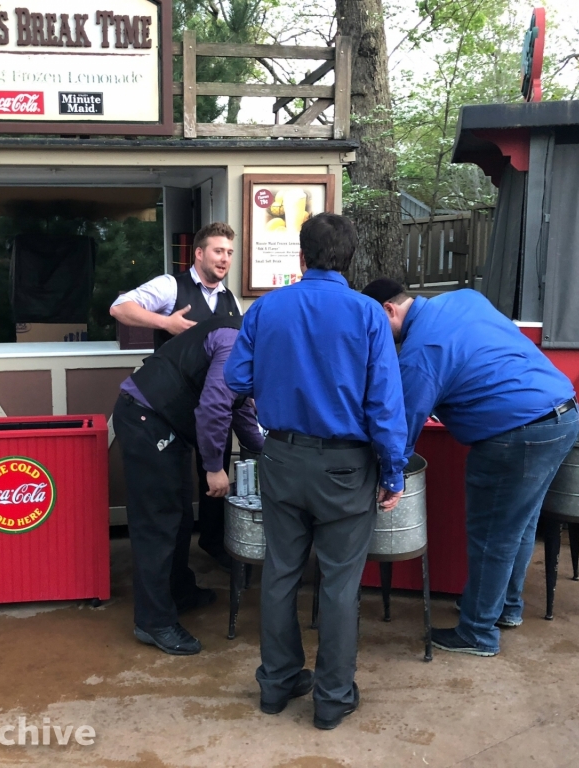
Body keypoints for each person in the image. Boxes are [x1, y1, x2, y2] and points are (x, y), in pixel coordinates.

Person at [224, 213, 408, 730]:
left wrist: (282, 378)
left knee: (281, 572)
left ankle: (277, 684)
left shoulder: (267, 308)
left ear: (301, 257)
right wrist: (392, 472)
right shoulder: (368, 314)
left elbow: (236, 377)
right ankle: (331, 697)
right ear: (350, 259)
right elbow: (385, 405)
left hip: (281, 457)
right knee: (340, 583)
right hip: (346, 467)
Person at [360, 278, 579, 658]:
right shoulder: (464, 298)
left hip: (515, 433)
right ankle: (504, 607)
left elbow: (403, 425)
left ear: (388, 310)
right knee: (519, 523)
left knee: (492, 534)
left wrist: (391, 477)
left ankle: (478, 632)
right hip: (562, 415)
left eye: (374, 325)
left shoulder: (420, 352)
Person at [112, 314, 264, 656]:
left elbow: (238, 406)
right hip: (146, 417)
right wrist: (214, 467)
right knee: (157, 523)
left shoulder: (247, 340)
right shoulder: (234, 342)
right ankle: (153, 621)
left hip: (168, 423)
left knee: (179, 515)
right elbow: (214, 407)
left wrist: (267, 449)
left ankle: (178, 591)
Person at [110, 222, 241, 568]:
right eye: (218, 251)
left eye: (229, 252)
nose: (225, 259)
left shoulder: (231, 301)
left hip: (214, 407)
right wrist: (165, 323)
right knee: (175, 493)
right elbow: (120, 307)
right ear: (198, 254)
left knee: (216, 472)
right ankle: (174, 568)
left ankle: (214, 542)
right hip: (169, 411)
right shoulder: (171, 286)